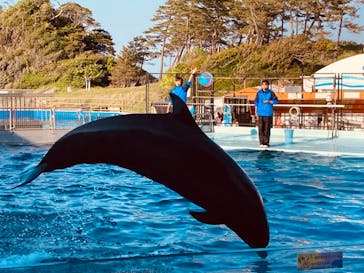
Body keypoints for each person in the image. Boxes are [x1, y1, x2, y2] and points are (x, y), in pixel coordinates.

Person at [254, 80, 278, 148]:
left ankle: (266, 143)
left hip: (268, 113)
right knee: (260, 128)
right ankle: (261, 142)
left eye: (265, 84)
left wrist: (269, 101)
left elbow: (276, 101)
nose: (264, 86)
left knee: (267, 128)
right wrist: (256, 112)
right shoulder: (259, 93)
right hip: (260, 112)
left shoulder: (271, 93)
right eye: (263, 84)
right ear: (261, 86)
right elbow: (256, 102)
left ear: (268, 85)